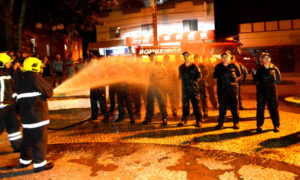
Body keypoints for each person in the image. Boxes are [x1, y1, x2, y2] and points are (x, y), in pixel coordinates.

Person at [16, 57, 54, 172]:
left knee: (27, 140)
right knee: (40, 141)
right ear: (35, 67)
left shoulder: (21, 81)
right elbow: (49, 92)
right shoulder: (35, 78)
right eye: (40, 67)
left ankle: (24, 161)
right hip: (38, 117)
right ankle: (39, 165)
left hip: (26, 119)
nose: (41, 69)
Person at [253, 53, 281, 132]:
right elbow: (255, 80)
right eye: (264, 58)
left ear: (270, 59)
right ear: (262, 59)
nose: (266, 59)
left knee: (274, 109)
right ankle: (259, 125)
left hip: (272, 92)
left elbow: (278, 80)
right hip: (261, 92)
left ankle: (276, 125)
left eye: (267, 58)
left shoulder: (274, 68)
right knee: (260, 109)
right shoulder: (258, 69)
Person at [0, 53, 22, 152]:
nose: (10, 63)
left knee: (13, 126)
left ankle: (17, 146)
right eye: (8, 62)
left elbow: (10, 90)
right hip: (1, 107)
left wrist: (15, 99)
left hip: (9, 105)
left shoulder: (6, 73)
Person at [213, 52, 241, 130]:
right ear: (221, 58)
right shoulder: (218, 67)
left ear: (229, 58)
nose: (225, 58)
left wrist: (233, 83)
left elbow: (239, 75)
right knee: (222, 107)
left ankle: (236, 122)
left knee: (234, 107)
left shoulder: (234, 66)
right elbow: (214, 76)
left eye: (226, 57)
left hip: (232, 90)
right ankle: (221, 123)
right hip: (221, 90)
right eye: (223, 57)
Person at [178, 52, 202, 127]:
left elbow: (199, 76)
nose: (185, 57)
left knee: (196, 105)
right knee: (185, 105)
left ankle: (199, 120)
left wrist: (193, 83)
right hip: (185, 89)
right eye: (184, 56)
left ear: (190, 57)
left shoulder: (194, 66)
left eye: (187, 56)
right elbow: (180, 77)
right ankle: (184, 119)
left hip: (193, 89)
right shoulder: (181, 67)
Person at [142, 52, 168, 125]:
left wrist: (160, 81)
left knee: (161, 103)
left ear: (155, 57)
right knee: (150, 103)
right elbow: (145, 75)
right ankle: (148, 118)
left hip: (158, 86)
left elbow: (165, 74)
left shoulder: (160, 64)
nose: (151, 57)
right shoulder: (148, 66)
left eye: (153, 56)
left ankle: (164, 118)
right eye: (150, 56)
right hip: (150, 86)